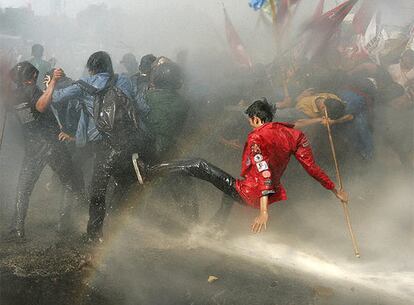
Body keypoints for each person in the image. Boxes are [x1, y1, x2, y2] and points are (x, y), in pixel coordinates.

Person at [136, 99, 347, 233]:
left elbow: (264, 172)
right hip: (255, 188)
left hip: (251, 192)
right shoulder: (296, 136)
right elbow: (312, 168)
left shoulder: (257, 138)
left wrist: (264, 212)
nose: (249, 123)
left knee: (200, 165)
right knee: (227, 188)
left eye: (249, 120)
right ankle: (217, 228)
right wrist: (335, 190)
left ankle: (149, 173)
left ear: (256, 119)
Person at [36, 51, 151, 243]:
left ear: (91, 68)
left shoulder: (83, 85)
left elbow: (53, 99)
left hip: (103, 145)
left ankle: (94, 234)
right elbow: (142, 107)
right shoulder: (123, 80)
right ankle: (121, 227)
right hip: (127, 142)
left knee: (98, 190)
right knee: (123, 183)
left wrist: (53, 82)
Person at [5, 62, 84, 241]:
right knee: (70, 182)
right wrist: (53, 84)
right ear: (32, 77)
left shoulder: (15, 95)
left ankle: (17, 229)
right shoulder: (33, 90)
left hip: (32, 146)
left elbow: (13, 114)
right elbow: (40, 106)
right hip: (51, 144)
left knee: (23, 188)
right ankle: (64, 224)